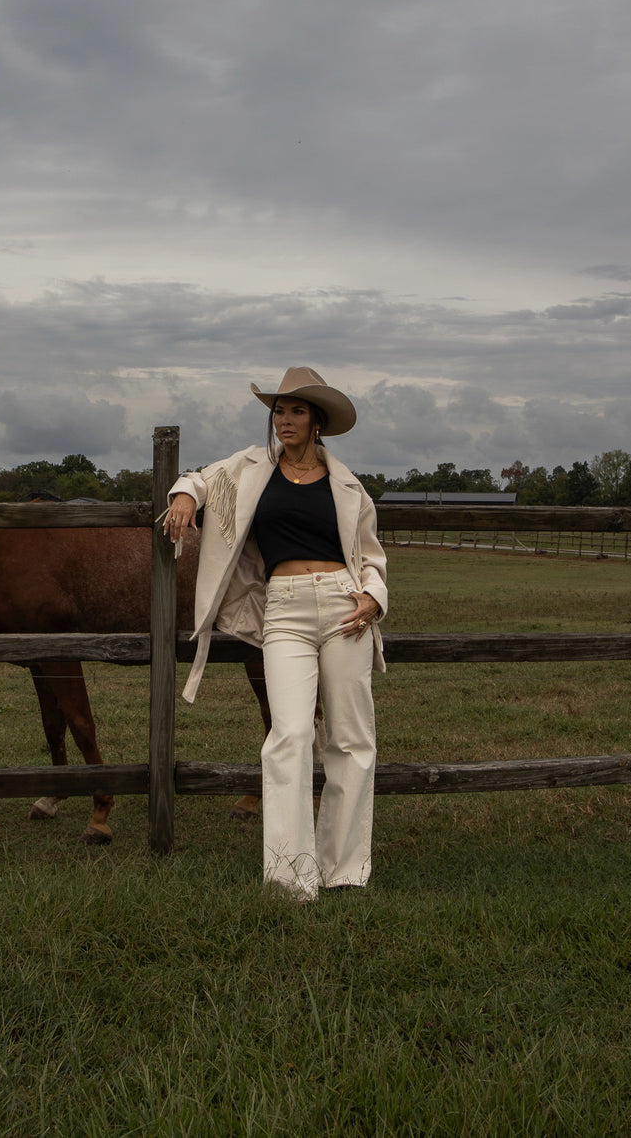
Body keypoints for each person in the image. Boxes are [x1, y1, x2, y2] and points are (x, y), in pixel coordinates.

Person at [161, 366, 387, 900]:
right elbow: (199, 477)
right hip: (282, 610)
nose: (284, 420)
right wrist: (184, 497)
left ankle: (345, 871)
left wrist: (374, 596)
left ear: (317, 423)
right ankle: (290, 877)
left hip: (343, 606)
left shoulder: (348, 484)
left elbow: (371, 557)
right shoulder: (250, 467)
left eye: (296, 411)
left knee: (351, 738)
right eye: (279, 411)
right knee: (288, 735)